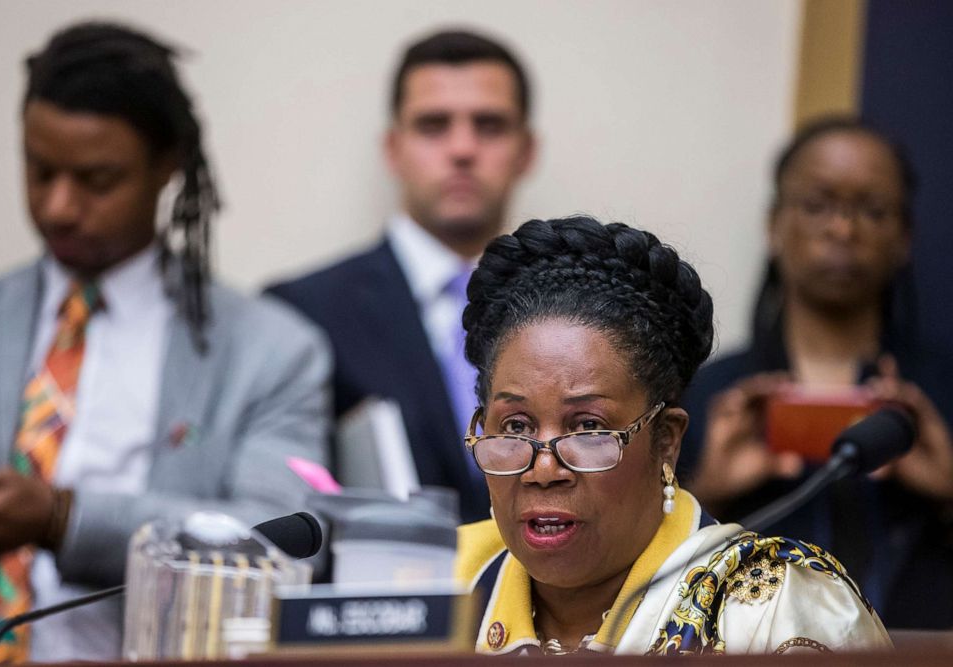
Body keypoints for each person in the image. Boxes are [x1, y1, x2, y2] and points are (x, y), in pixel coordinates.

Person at [0, 22, 331, 662]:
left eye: (96, 179)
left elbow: (282, 547)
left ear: (168, 167)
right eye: (39, 169)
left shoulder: (272, 351)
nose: (58, 206)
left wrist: (63, 518)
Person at [455, 216, 890, 656]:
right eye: (515, 426)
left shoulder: (774, 611)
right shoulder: (438, 586)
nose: (543, 469)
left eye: (588, 427)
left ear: (666, 439)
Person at [679, 117, 953, 629]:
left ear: (904, 237)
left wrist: (947, 492)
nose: (842, 229)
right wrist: (708, 493)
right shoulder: (706, 398)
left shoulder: (940, 395)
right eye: (817, 204)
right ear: (774, 224)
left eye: (872, 210)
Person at [265, 29, 536, 523]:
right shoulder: (303, 312)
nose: (462, 148)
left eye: (490, 125)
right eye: (434, 125)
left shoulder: (579, 312)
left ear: (526, 151)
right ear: (393, 149)